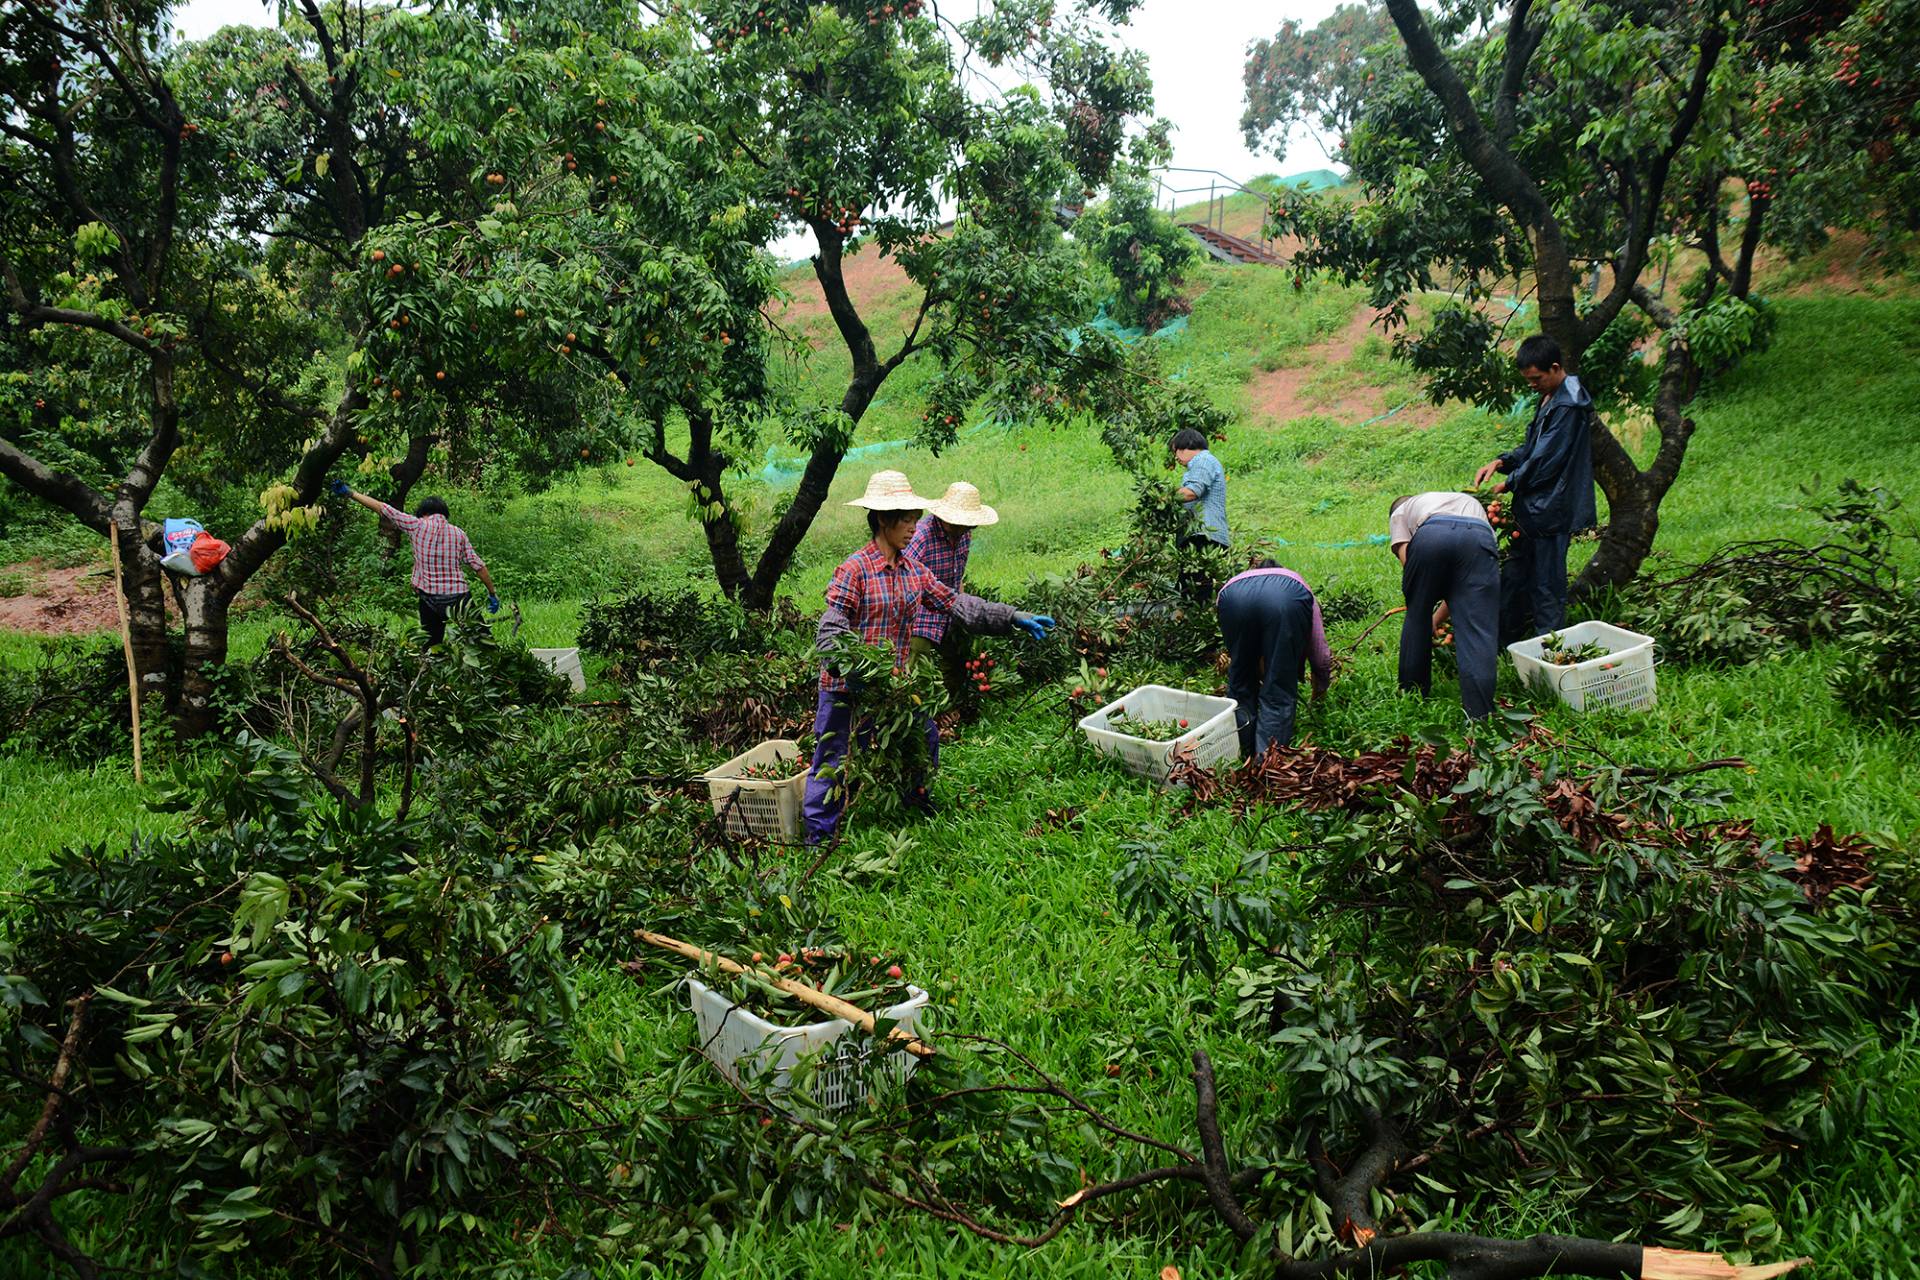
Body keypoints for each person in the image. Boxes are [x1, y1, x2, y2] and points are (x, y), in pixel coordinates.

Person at [804, 471, 1053, 842]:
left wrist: (1011, 616)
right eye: (906, 519)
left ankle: (915, 801)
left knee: (922, 737)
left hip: (894, 685)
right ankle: (818, 836)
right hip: (847, 687)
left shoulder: (913, 572)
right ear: (883, 520)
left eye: (915, 518)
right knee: (832, 758)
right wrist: (850, 667)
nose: (913, 527)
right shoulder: (854, 570)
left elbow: (957, 603)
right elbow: (831, 627)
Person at [1472, 334, 1597, 642]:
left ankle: (1549, 649)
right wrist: (1502, 462)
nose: (1532, 384)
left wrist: (1508, 483)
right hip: (1533, 510)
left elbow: (1545, 460)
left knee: (1547, 584)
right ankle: (1506, 643)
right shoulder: (1550, 397)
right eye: (1528, 379)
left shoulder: (1569, 404)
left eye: (1536, 378)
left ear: (1555, 368)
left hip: (1551, 511)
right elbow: (1532, 447)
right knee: (1515, 576)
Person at [330, 480, 499, 643]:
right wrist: (492, 594)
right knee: (482, 641)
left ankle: (430, 667)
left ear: (424, 513)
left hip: (429, 599)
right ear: (444, 514)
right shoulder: (459, 533)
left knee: (432, 646)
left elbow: (383, 508)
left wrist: (350, 493)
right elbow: (478, 566)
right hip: (458, 598)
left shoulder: (417, 525)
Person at [1389, 492, 1499, 720]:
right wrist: (1436, 621)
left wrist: (1425, 610)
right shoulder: (1462, 501)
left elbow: (1409, 563)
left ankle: (1413, 694)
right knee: (1477, 630)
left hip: (1432, 534)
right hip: (1479, 538)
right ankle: (1480, 715)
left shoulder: (1400, 511)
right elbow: (1459, 593)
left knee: (1417, 612)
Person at [1215, 559, 1332, 758]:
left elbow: (1241, 652)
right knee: (1278, 689)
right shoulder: (1298, 584)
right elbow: (1320, 653)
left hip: (1231, 598)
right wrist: (1320, 688)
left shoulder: (1235, 581)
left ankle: (1240, 754)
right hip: (1286, 599)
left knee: (1240, 683)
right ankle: (1266, 764)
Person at [906, 481, 997, 700]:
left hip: (950, 608)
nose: (963, 529)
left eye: (968, 524)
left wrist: (964, 609)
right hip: (920, 615)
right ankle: (922, 716)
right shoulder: (921, 537)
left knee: (957, 662)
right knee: (918, 670)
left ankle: (950, 710)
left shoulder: (964, 534)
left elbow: (958, 577)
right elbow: (900, 580)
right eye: (958, 523)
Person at [1172, 428, 1229, 549]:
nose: (1175, 458)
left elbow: (1191, 492)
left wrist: (1163, 496)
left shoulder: (1203, 460)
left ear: (1185, 446)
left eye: (1175, 451)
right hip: (1202, 535)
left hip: (1204, 536)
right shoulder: (1201, 463)